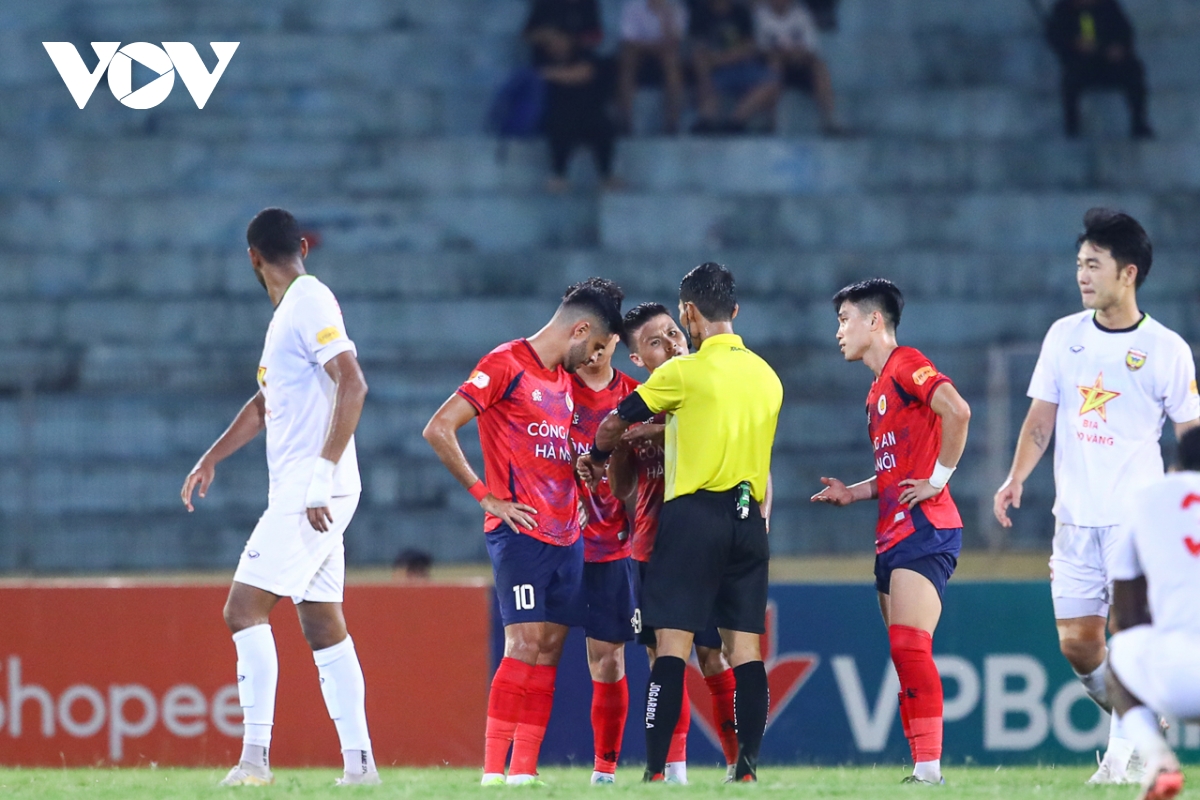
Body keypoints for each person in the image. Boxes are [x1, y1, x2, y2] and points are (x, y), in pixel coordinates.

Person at [994, 208, 1200, 784]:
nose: (1082, 275)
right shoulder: (1064, 336)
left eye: (1094, 265)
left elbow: (1190, 435)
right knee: (1079, 647)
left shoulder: (1165, 348)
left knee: (1126, 637)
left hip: (1137, 521)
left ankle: (1119, 760)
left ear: (1127, 273)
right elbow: (1041, 419)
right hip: (1075, 519)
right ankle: (1141, 719)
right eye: (1079, 264)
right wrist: (1015, 477)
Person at [180, 208, 378, 787]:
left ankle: (254, 761)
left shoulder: (309, 300)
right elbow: (266, 404)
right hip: (317, 489)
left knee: (242, 609)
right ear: (302, 247)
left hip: (311, 491)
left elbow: (353, 382)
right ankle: (361, 767)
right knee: (322, 623)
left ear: (252, 257)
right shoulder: (289, 313)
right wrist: (213, 455)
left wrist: (319, 476)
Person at [578, 263, 783, 783]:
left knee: (670, 649)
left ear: (689, 312)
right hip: (749, 517)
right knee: (745, 651)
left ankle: (655, 772)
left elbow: (614, 421)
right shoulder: (767, 376)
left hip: (693, 518)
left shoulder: (682, 374)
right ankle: (746, 771)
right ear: (734, 310)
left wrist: (598, 455)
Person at [421, 278, 624, 786]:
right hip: (520, 532)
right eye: (596, 347)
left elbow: (549, 447)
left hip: (567, 535)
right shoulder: (505, 363)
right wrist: (485, 496)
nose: (594, 359)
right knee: (524, 642)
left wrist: (579, 476)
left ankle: (523, 773)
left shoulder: (562, 382)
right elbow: (439, 428)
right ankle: (492, 772)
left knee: (548, 650)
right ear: (580, 330)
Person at [810, 278, 971, 787]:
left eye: (845, 320)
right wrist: (853, 493)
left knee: (909, 646)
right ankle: (921, 768)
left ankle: (929, 770)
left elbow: (958, 410)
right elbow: (893, 471)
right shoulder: (876, 390)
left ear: (874, 321)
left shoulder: (905, 364)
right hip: (892, 533)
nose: (839, 332)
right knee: (903, 654)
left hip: (925, 526)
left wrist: (938, 480)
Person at [606, 302, 742, 784]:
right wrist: (621, 445)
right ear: (637, 360)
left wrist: (657, 430)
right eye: (655, 342)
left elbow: (738, 444)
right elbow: (623, 488)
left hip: (704, 542)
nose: (671, 344)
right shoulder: (637, 404)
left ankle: (738, 765)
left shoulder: (709, 386)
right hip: (651, 546)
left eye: (672, 333)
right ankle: (674, 770)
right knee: (663, 658)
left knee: (713, 656)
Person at [1105, 426, 1200, 800]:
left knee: (1120, 652)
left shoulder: (1145, 499)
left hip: (1178, 677)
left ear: (1176, 465)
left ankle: (1158, 760)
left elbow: (1125, 617)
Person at [566, 333, 640, 785]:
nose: (593, 351)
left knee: (609, 660)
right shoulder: (553, 388)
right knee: (536, 650)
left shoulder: (636, 395)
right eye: (585, 338)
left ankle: (604, 772)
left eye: (602, 339)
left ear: (615, 338)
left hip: (611, 546)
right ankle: (513, 771)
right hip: (555, 542)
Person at [524, 0, 619, 191]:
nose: (557, 44)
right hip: (558, 111)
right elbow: (527, 36)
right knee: (559, 123)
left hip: (586, 110)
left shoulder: (584, 54)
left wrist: (553, 75)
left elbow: (584, 73)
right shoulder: (540, 57)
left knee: (602, 125)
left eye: (561, 39)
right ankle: (558, 175)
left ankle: (606, 175)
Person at [1046, 0, 1152, 139]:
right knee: (1070, 79)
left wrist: (1119, 48)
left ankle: (1138, 123)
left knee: (1134, 70)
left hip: (1108, 63)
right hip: (1081, 64)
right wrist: (1074, 44)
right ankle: (1072, 127)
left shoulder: (1108, 6)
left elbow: (1125, 32)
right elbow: (1054, 35)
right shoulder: (1064, 9)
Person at [689, 0, 781, 134]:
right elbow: (698, 51)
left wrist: (720, 59)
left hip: (743, 67)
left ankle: (736, 121)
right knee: (705, 80)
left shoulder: (741, 12)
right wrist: (706, 74)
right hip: (716, 72)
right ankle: (707, 120)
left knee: (772, 82)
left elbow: (749, 48)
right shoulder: (700, 13)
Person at [754, 0, 842, 135]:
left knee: (820, 68)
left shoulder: (802, 14)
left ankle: (830, 120)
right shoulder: (760, 15)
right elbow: (762, 48)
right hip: (774, 63)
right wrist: (782, 54)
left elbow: (811, 48)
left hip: (799, 63)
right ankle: (769, 121)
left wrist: (796, 54)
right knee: (774, 66)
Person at [617, 0, 689, 135]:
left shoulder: (677, 7)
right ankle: (625, 120)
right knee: (628, 59)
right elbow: (629, 41)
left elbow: (675, 41)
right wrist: (653, 46)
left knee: (671, 61)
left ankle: (672, 121)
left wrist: (665, 17)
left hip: (664, 53)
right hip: (639, 52)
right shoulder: (633, 6)